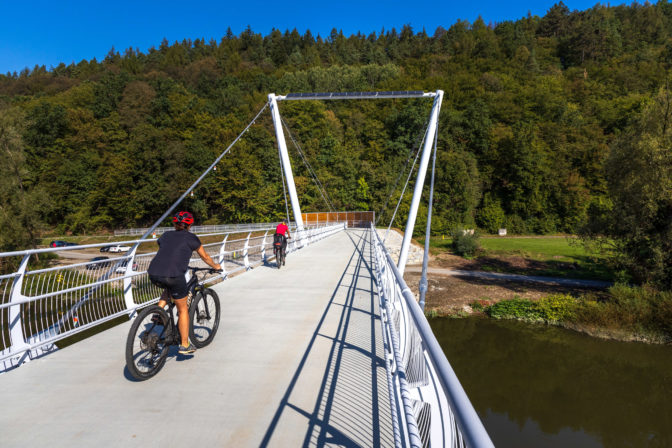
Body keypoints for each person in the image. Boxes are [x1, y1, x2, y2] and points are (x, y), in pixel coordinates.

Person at [147, 211, 221, 354]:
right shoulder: (192, 238)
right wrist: (216, 266)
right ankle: (185, 345)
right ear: (190, 225)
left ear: (174, 224)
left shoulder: (165, 235)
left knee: (168, 288)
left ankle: (158, 313)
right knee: (183, 310)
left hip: (153, 272)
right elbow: (205, 257)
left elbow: (168, 250)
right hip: (174, 275)